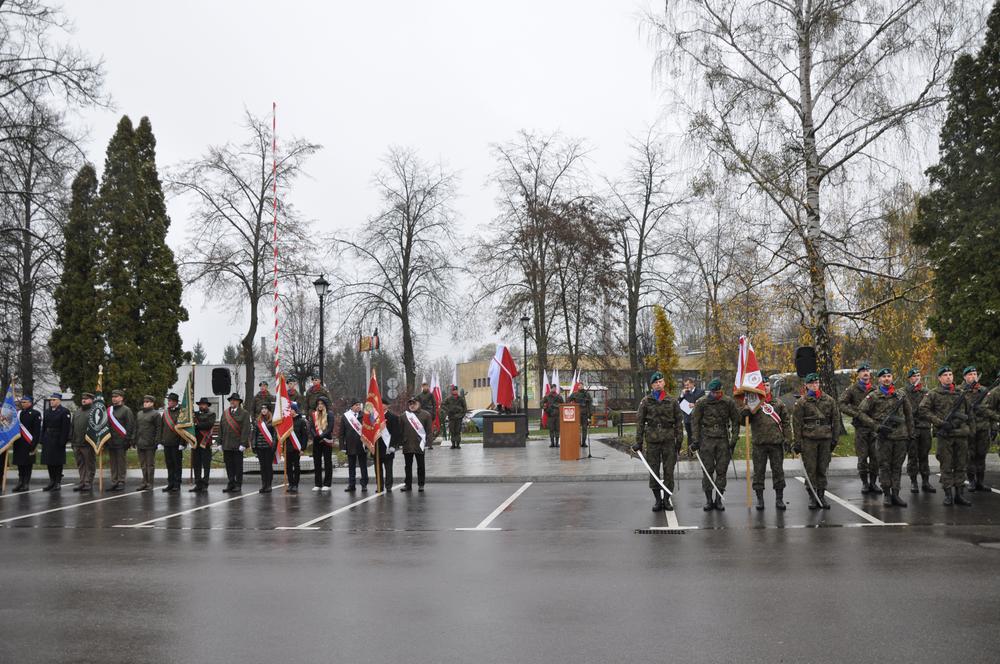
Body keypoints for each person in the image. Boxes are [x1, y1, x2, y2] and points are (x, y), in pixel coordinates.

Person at [857, 369, 914, 507]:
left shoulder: (901, 395)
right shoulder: (873, 396)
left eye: (889, 376)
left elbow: (909, 415)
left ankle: (896, 494)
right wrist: (876, 426)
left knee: (897, 467)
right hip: (884, 438)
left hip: (900, 436)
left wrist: (911, 434)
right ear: (879, 380)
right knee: (884, 466)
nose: (887, 379)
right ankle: (887, 494)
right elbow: (861, 413)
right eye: (884, 377)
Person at [919, 366, 973, 506]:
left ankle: (959, 495)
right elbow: (923, 410)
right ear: (939, 378)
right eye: (945, 375)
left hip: (961, 435)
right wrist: (940, 423)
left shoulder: (962, 393)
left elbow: (969, 413)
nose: (948, 377)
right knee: (946, 465)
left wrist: (971, 431)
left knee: (961, 465)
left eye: (950, 374)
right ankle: (948, 494)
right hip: (945, 435)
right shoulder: (933, 394)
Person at [631, 371, 684, 512]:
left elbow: (679, 422)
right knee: (653, 470)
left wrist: (679, 441)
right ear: (652, 385)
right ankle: (657, 500)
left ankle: (666, 500)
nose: (658, 384)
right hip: (652, 441)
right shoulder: (646, 401)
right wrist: (639, 442)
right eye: (655, 383)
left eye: (660, 381)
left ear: (664, 383)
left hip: (668, 441)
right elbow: (640, 422)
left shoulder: (672, 401)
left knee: (668, 471)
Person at [742, 378, 792, 511]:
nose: (766, 387)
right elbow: (742, 421)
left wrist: (788, 439)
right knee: (758, 472)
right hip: (759, 443)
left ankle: (779, 499)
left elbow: (786, 422)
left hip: (776, 443)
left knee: (778, 472)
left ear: (771, 387)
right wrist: (745, 412)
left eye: (768, 385)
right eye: (763, 385)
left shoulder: (778, 403)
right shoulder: (753, 404)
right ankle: (760, 499)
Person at [691, 378, 740, 511]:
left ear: (721, 391)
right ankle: (708, 500)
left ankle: (718, 499)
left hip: (723, 440)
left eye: (717, 393)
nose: (715, 395)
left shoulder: (728, 402)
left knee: (721, 471)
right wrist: (695, 440)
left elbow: (736, 421)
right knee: (707, 471)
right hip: (706, 440)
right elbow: (695, 422)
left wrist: (734, 439)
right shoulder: (702, 402)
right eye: (713, 393)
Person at [793, 373, 840, 509]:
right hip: (809, 440)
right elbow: (796, 423)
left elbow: (835, 420)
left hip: (825, 439)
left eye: (816, 383)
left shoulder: (829, 400)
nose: (815, 385)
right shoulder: (802, 402)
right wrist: (797, 442)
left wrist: (834, 439)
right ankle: (812, 496)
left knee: (822, 469)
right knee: (811, 469)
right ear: (806, 385)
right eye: (811, 383)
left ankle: (821, 495)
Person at [840, 363, 879, 495]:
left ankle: (873, 483)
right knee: (862, 457)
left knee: (875, 456)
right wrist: (856, 413)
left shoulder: (875, 389)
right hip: (861, 428)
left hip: (874, 427)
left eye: (867, 371)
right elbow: (841, 404)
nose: (865, 373)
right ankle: (865, 483)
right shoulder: (852, 389)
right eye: (863, 371)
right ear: (859, 374)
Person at [961, 366, 996, 492]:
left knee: (981, 455)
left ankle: (980, 482)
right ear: (965, 377)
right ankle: (971, 481)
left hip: (983, 427)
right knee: (970, 456)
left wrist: (993, 427)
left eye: (975, 374)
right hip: (968, 428)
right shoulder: (960, 391)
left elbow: (990, 409)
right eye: (970, 374)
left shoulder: (984, 390)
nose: (973, 376)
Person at [904, 368, 935, 494]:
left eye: (918, 375)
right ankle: (913, 482)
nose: (916, 378)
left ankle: (926, 481)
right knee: (912, 456)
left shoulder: (926, 392)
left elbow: (932, 408)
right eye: (914, 376)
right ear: (909, 378)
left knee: (924, 456)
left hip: (924, 428)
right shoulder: (903, 392)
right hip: (911, 429)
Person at [220, 393, 251, 493]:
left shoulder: (244, 413)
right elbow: (221, 428)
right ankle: (231, 483)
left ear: (238, 402)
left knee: (238, 466)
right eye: (231, 400)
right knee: (228, 465)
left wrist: (243, 443)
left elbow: (246, 429)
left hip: (238, 445)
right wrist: (219, 442)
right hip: (227, 444)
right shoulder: (225, 413)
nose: (232, 402)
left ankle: (238, 484)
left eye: (234, 400)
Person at [40, 393, 72, 492]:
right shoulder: (47, 411)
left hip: (58, 439)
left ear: (59, 401)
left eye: (54, 400)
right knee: (49, 461)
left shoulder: (64, 411)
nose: (51, 401)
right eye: (51, 400)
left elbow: (65, 428)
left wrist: (63, 441)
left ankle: (57, 482)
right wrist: (42, 439)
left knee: (57, 462)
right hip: (48, 438)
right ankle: (52, 481)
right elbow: (44, 426)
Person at [400, 396, 431, 492]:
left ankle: (421, 484)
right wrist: (401, 442)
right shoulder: (404, 416)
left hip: (419, 444)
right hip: (407, 444)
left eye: (414, 403)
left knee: (421, 466)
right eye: (410, 403)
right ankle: (408, 484)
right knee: (407, 466)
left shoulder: (426, 415)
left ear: (419, 404)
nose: (412, 405)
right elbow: (400, 430)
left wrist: (429, 442)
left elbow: (429, 430)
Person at [11, 395, 41, 493]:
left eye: (24, 402)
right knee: (20, 464)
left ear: (30, 403)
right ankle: (20, 482)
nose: (22, 404)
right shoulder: (18, 413)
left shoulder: (36, 414)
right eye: (22, 402)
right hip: (19, 443)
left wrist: (34, 444)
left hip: (29, 443)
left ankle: (26, 483)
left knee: (28, 464)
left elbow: (37, 431)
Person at [106, 389, 135, 491]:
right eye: (113, 397)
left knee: (121, 462)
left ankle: (121, 481)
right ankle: (114, 481)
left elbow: (130, 425)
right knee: (113, 463)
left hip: (121, 441)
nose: (114, 398)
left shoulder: (126, 410)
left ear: (121, 398)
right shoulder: (109, 410)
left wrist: (128, 440)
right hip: (111, 441)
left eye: (116, 396)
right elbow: (106, 425)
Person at [159, 392, 188, 492]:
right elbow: (161, 427)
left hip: (176, 443)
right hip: (167, 442)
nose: (169, 402)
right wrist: (161, 441)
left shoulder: (181, 412)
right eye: (168, 401)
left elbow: (184, 429)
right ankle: (170, 483)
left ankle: (177, 484)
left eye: (170, 401)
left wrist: (182, 443)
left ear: (175, 402)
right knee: (169, 464)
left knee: (177, 465)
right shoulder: (165, 413)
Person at [340, 398, 369, 492]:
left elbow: (368, 430)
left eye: (359, 405)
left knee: (363, 466)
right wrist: (342, 446)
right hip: (350, 445)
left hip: (362, 444)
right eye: (356, 405)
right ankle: (351, 484)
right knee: (351, 466)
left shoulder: (364, 416)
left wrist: (368, 444)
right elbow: (341, 433)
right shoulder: (345, 417)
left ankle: (364, 484)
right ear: (352, 406)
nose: (358, 406)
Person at [70, 392, 96, 491]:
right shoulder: (77, 412)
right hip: (77, 443)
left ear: (91, 400)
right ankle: (82, 482)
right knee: (80, 464)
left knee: (89, 464)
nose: (84, 400)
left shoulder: (94, 411)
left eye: (86, 399)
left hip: (88, 444)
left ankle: (88, 482)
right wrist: (72, 440)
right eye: (82, 399)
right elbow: (72, 427)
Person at [134, 395, 160, 491]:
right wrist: (134, 439)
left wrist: (156, 441)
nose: (145, 403)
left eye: (148, 402)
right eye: (145, 402)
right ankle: (144, 482)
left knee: (150, 465)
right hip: (140, 442)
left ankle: (150, 483)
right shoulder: (139, 413)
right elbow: (136, 427)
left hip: (150, 443)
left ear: (152, 403)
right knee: (143, 465)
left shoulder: (155, 414)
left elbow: (158, 428)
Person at [191, 397, 216, 492]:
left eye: (204, 404)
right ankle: (198, 484)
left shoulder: (211, 414)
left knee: (206, 464)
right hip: (196, 442)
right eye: (200, 404)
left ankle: (205, 484)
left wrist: (197, 425)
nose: (202, 406)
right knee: (196, 464)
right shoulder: (195, 415)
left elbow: (208, 424)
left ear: (207, 406)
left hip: (205, 443)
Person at [311, 396, 335, 491]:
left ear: (325, 405)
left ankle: (327, 484)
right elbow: (311, 427)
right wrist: (315, 436)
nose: (320, 405)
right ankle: (318, 484)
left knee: (327, 462)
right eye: (318, 404)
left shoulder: (330, 414)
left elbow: (330, 428)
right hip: (317, 441)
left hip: (326, 441)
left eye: (322, 404)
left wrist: (322, 436)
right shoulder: (314, 414)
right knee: (317, 462)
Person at [252, 404, 277, 493]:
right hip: (260, 447)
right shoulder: (257, 421)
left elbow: (275, 435)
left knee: (268, 466)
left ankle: (269, 485)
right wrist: (254, 445)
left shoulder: (273, 421)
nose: (264, 410)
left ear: (268, 410)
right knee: (262, 467)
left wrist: (274, 445)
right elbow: (254, 434)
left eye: (265, 409)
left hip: (268, 447)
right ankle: (264, 485)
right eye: (262, 409)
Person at [679, 378, 705, 458]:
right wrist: (682, 395)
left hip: (697, 419)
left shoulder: (700, 392)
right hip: (688, 418)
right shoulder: (685, 393)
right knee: (689, 436)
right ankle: (690, 454)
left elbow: (703, 402)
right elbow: (679, 402)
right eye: (685, 385)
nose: (686, 387)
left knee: (698, 435)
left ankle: (700, 453)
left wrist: (694, 404)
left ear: (693, 384)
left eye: (687, 384)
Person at [286, 402, 308, 493]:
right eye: (289, 410)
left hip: (297, 448)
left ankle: (295, 484)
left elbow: (304, 436)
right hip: (288, 448)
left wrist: (303, 448)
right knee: (288, 467)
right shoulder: (286, 421)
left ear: (295, 410)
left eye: (291, 409)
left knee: (296, 466)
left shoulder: (301, 421)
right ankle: (290, 484)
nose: (289, 411)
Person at [568, 382, 594, 448]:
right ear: (578, 387)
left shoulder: (587, 394)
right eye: (580, 386)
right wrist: (572, 403)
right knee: (577, 428)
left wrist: (590, 413)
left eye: (582, 386)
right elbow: (568, 400)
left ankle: (583, 442)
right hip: (577, 413)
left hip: (585, 413)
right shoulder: (575, 394)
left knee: (584, 428)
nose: (581, 387)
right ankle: (577, 442)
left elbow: (590, 404)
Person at [381, 410, 402, 491]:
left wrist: (393, 445)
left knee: (388, 468)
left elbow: (396, 432)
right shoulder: (375, 416)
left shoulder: (393, 417)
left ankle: (388, 486)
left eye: (383, 404)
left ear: (387, 406)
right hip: (378, 447)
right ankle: (380, 485)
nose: (381, 405)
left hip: (388, 446)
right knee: (378, 468)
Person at [541, 383, 564, 448]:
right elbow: (542, 403)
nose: (554, 389)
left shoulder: (559, 396)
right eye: (553, 388)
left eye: (555, 388)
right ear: (551, 388)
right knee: (551, 430)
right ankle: (552, 443)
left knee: (557, 430)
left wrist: (559, 407)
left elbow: (563, 404)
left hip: (557, 415)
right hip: (550, 415)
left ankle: (557, 443)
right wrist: (546, 409)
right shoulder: (547, 396)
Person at [417, 382, 437, 449]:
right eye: (424, 386)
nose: (425, 387)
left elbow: (434, 404)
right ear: (422, 387)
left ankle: (430, 444)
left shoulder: (431, 395)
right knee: (422, 429)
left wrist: (434, 413)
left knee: (429, 430)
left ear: (428, 387)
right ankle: (423, 443)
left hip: (429, 413)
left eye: (426, 386)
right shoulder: (419, 395)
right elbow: (415, 402)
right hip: (422, 413)